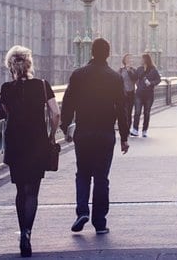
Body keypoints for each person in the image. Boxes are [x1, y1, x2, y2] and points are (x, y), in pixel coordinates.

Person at [61, 38, 131, 236]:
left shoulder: (78, 74)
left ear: (91, 52)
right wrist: (124, 137)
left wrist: (65, 126)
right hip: (105, 134)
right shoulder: (114, 78)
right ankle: (99, 222)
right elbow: (121, 109)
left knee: (82, 173)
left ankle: (82, 211)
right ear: (108, 54)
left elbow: (68, 102)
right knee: (101, 178)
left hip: (83, 133)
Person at [0, 45, 60, 257]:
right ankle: (27, 234)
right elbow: (55, 114)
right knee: (32, 191)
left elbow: (4, 114)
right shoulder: (42, 85)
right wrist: (51, 136)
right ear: (30, 64)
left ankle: (21, 230)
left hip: (15, 144)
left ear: (11, 66)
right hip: (37, 143)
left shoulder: (6, 88)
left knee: (20, 190)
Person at [133, 53, 160, 136]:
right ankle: (135, 129)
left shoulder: (153, 70)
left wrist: (151, 83)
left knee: (146, 113)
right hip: (139, 93)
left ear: (146, 60)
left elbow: (158, 80)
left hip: (149, 94)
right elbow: (134, 78)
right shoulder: (139, 69)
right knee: (137, 112)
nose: (141, 60)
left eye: (142, 59)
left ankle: (144, 130)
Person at [119, 54, 139, 136]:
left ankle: (127, 129)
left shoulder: (134, 70)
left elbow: (134, 78)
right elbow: (118, 81)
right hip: (122, 94)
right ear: (124, 61)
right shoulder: (120, 70)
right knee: (123, 113)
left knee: (129, 112)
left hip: (131, 93)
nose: (129, 60)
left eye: (130, 59)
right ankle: (123, 129)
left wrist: (129, 70)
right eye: (127, 59)